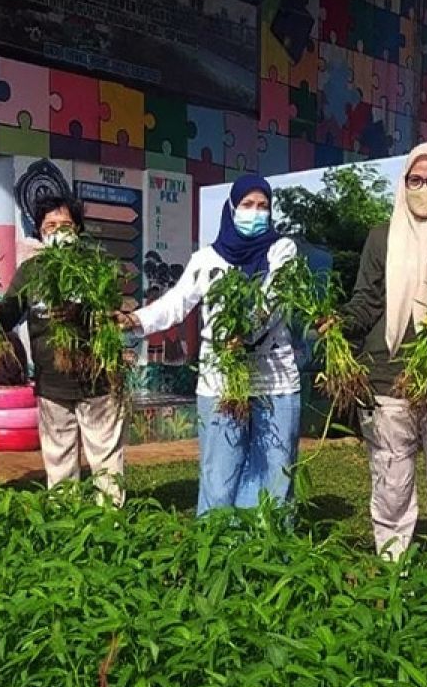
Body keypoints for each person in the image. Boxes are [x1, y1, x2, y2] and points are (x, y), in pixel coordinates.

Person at [336, 142, 427, 561]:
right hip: (388, 377)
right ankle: (392, 563)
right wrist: (339, 324)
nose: (424, 188)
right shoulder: (382, 238)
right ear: (403, 184)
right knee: (391, 482)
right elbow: (366, 301)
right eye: (415, 180)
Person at [117, 175, 300, 516]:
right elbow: (176, 303)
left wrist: (242, 333)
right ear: (231, 209)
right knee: (219, 474)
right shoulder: (207, 259)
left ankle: (269, 554)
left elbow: (274, 301)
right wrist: (135, 320)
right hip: (221, 381)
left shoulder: (282, 250)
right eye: (247, 205)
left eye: (263, 206)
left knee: (275, 474)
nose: (255, 213)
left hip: (274, 380)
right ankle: (217, 553)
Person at [0, 194, 127, 507]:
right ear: (40, 231)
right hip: (52, 382)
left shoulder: (96, 267)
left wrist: (80, 313)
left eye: (65, 225)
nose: (57, 231)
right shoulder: (31, 271)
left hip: (97, 380)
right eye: (49, 225)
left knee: (105, 459)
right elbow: (8, 316)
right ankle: (65, 518)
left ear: (78, 229)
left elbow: (114, 314)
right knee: (59, 459)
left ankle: (111, 522)